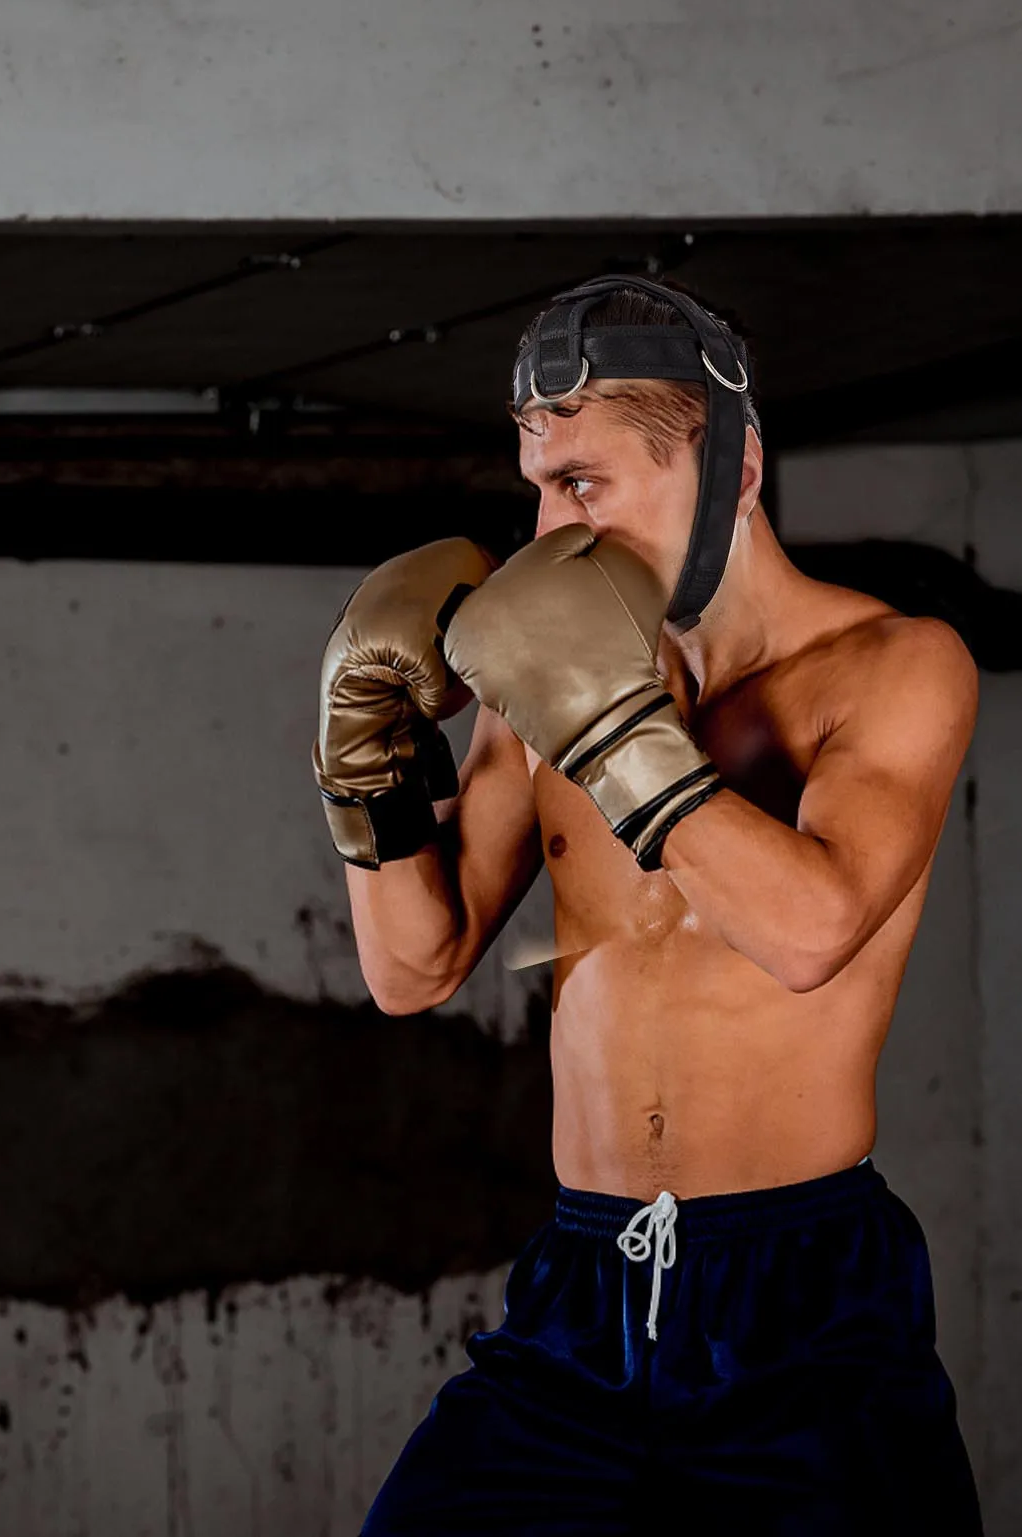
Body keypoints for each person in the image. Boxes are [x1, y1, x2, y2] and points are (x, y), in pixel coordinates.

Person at [313, 277, 983, 1534]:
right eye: (535, 482)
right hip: (582, 1289)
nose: (548, 526)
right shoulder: (545, 674)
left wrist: (611, 728)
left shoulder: (893, 667)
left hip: (805, 1300)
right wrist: (364, 770)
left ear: (731, 467)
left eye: (583, 483)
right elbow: (414, 966)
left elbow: (807, 931)